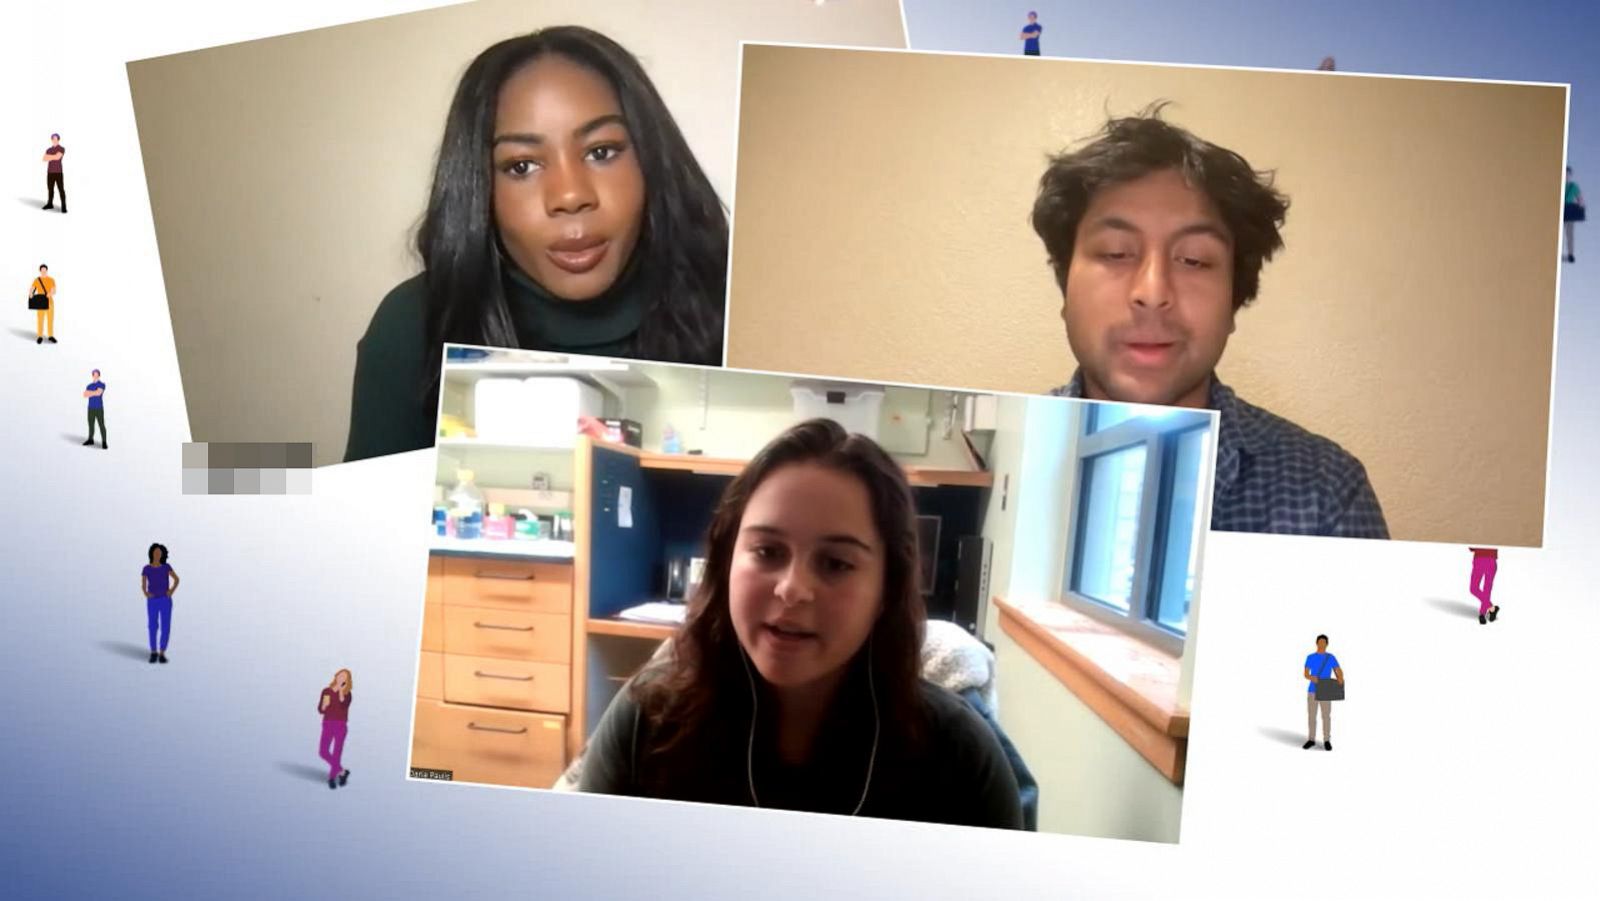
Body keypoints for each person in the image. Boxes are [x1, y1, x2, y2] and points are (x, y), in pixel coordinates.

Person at [579, 419, 1023, 828]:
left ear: (886, 588)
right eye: (768, 552)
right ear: (726, 559)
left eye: (835, 563)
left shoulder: (961, 761)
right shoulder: (647, 723)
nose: (792, 589)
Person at [345, 26, 728, 463]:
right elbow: (362, 528)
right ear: (480, 187)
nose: (569, 195)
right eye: (521, 165)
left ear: (651, 159)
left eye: (601, 151)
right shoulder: (412, 325)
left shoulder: (742, 304)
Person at [1033, 103, 1388, 538]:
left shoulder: (1326, 493)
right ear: (1065, 286)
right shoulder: (1016, 454)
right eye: (1115, 253)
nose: (1153, 292)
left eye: (1195, 260)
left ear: (1234, 301)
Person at [141, 544, 180, 664]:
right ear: (152, 553)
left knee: (165, 626)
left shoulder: (166, 567)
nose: (157, 554)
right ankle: (153, 652)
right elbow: (143, 584)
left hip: (165, 600)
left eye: (159, 552)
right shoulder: (146, 568)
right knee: (152, 625)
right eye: (155, 552)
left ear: (162, 554)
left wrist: (171, 590)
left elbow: (177, 579)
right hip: (152, 600)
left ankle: (162, 652)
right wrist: (145, 593)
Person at [1302, 634, 1342, 750]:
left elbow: (1337, 670)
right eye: (1320, 642)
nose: (1322, 644)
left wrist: (1340, 677)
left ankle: (1326, 740)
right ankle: (1311, 739)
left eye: (1324, 642)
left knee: (1326, 716)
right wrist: (1311, 677)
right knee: (1311, 716)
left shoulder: (1331, 657)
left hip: (1326, 690)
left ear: (1327, 644)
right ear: (1316, 643)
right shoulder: (1310, 657)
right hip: (1312, 690)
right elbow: (1305, 673)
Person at [318, 669, 354, 790]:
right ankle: (342, 772)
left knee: (337, 753)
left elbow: (343, 704)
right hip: (327, 724)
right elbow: (321, 710)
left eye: (345, 677)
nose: (341, 677)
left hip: (340, 725)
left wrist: (340, 690)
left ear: (347, 681)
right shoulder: (326, 691)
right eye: (340, 675)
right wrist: (324, 705)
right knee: (323, 752)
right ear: (336, 675)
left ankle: (332, 778)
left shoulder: (347, 694)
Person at [1468, 546, 1500, 625]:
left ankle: (1482, 614)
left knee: (1487, 589)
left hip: (1489, 559)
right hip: (1479, 559)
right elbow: (1471, 547)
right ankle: (1491, 608)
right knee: (1473, 588)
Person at [28, 264, 57, 345]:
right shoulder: (37, 280)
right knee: (40, 320)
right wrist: (30, 294)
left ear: (47, 270)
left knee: (50, 320)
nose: (43, 271)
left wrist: (50, 293)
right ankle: (40, 336)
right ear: (40, 271)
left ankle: (50, 336)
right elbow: (32, 288)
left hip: (50, 302)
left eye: (45, 270)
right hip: (40, 302)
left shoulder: (51, 279)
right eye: (42, 270)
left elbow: (54, 290)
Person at [1564, 166, 1584, 263]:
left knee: (1569, 235)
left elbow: (1580, 199)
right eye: (1565, 174)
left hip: (1569, 212)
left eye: (1568, 174)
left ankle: (1570, 254)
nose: (1566, 176)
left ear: (1570, 175)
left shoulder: (1574, 186)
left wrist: (1580, 205)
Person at [83, 369, 107, 449]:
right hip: (90, 408)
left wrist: (91, 393)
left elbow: (99, 393)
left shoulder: (102, 384)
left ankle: (104, 442)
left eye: (97, 374)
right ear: (92, 375)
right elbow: (85, 395)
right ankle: (90, 439)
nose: (95, 376)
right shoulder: (89, 385)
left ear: (99, 375)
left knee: (101, 425)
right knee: (91, 425)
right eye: (94, 374)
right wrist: (95, 392)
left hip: (99, 408)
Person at [42, 133, 66, 213]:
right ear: (51, 140)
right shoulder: (48, 149)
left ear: (58, 139)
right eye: (53, 139)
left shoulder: (62, 148)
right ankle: (50, 204)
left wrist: (51, 157)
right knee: (50, 189)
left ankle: (63, 206)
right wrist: (53, 156)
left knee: (61, 189)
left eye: (56, 138)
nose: (54, 140)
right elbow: (44, 158)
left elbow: (57, 157)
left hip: (58, 172)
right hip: (50, 172)